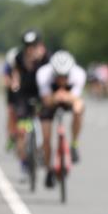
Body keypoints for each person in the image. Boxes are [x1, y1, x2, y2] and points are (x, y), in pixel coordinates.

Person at [36, 50, 87, 188]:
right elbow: (46, 100)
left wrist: (64, 96)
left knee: (79, 108)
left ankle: (74, 144)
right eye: (59, 76)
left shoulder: (79, 74)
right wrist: (56, 96)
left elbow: (76, 98)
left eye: (65, 76)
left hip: (67, 100)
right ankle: (48, 169)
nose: (62, 79)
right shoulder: (43, 74)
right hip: (50, 102)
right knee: (46, 138)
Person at [10, 30, 49, 168]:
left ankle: (41, 149)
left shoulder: (46, 57)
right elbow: (15, 73)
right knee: (21, 129)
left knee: (44, 124)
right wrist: (15, 83)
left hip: (42, 93)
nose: (30, 48)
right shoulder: (20, 57)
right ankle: (23, 160)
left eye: (33, 45)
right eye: (27, 45)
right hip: (24, 94)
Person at [2, 46, 20, 151]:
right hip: (12, 94)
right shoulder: (7, 67)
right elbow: (4, 79)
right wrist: (11, 84)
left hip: (23, 93)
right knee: (11, 112)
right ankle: (11, 136)